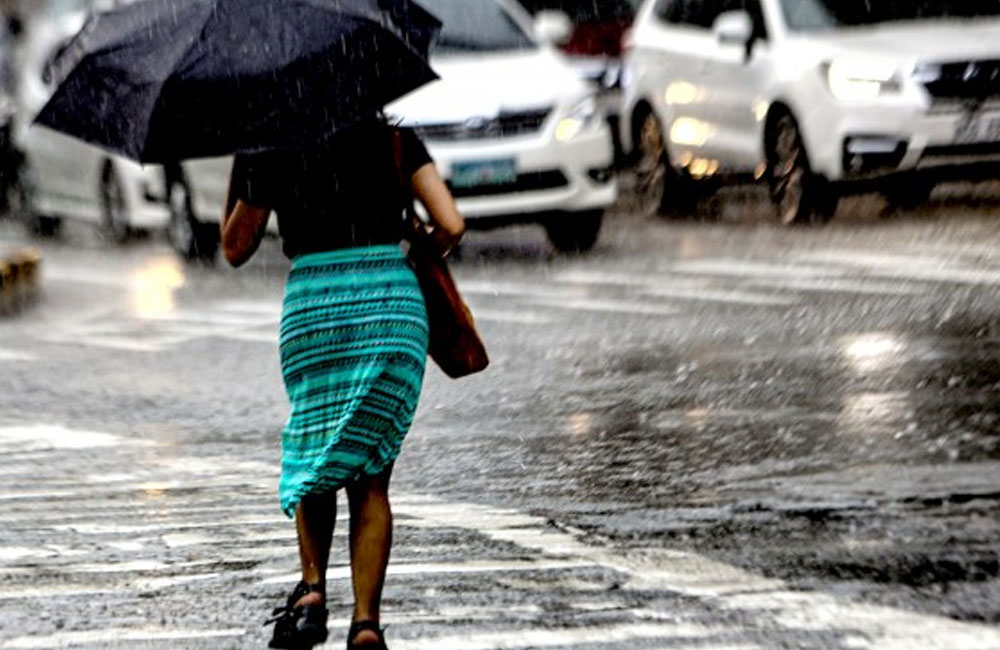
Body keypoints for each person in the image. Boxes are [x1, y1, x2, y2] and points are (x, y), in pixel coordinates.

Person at [221, 119, 465, 650]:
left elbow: (235, 246)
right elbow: (451, 224)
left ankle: (312, 590)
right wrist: (417, 238)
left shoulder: (272, 141)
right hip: (390, 306)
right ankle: (366, 623)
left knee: (315, 452)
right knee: (372, 477)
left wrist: (244, 161)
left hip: (316, 311)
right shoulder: (396, 140)